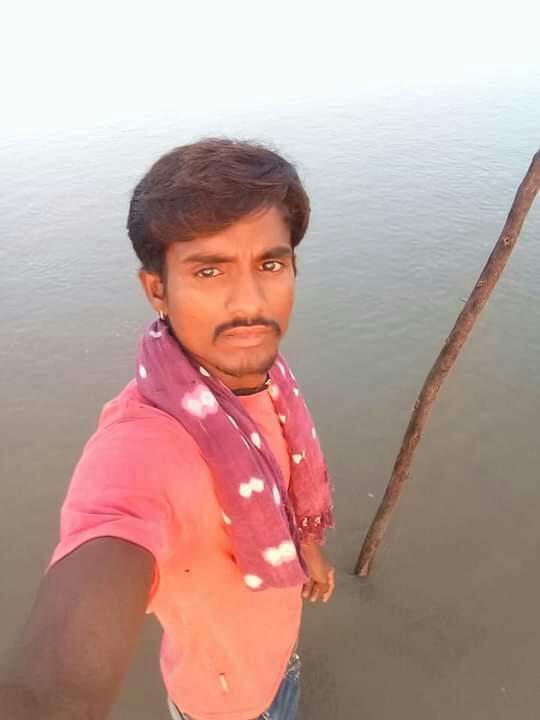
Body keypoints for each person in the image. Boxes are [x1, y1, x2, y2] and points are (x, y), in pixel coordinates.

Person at [0, 138, 335, 720]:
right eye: (209, 270)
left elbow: (287, 486)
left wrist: (308, 546)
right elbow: (55, 686)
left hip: (280, 663)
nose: (250, 303)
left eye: (270, 264)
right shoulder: (143, 444)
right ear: (157, 290)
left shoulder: (269, 380)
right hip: (221, 706)